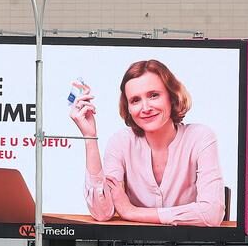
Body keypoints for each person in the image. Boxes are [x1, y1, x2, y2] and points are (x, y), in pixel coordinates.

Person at [72, 58, 226, 225]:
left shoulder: (200, 137)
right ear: (128, 108)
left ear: (172, 97)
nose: (145, 108)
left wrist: (132, 212)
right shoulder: (121, 142)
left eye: (154, 95)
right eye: (135, 100)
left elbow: (211, 213)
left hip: (188, 242)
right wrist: (90, 137)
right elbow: (102, 213)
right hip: (133, 242)